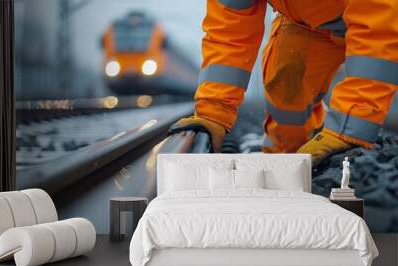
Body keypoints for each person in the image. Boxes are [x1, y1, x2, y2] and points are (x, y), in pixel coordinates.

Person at [169, 0, 398, 166]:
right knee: (286, 88)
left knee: (372, 71)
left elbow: (380, 31)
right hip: (308, 22)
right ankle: (288, 162)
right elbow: (230, 32)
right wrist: (212, 112)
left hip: (378, 15)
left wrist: (349, 131)